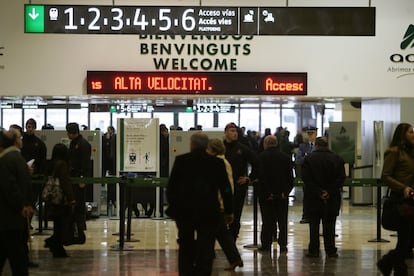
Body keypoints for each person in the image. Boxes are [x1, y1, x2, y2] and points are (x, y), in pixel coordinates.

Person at [166, 132, 234, 275]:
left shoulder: (181, 161)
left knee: (185, 246)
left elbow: (172, 188)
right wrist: (229, 210)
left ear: (192, 144)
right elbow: (226, 188)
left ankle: (186, 272)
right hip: (209, 212)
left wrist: (173, 208)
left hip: (186, 212)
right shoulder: (217, 163)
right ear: (206, 145)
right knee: (206, 247)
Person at [377, 123, 414, 276]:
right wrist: (403, 188)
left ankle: (395, 265)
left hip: (411, 199)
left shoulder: (411, 153)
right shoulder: (394, 152)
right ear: (403, 134)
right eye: (411, 132)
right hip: (400, 200)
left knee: (407, 238)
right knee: (406, 238)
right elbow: (385, 175)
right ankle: (388, 263)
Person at [301, 136, 345, 258]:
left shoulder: (308, 159)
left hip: (313, 198)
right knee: (330, 225)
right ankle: (330, 250)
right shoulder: (337, 159)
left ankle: (314, 250)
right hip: (332, 198)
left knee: (314, 226)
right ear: (328, 145)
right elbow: (341, 178)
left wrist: (319, 192)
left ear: (316, 145)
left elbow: (306, 179)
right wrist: (328, 192)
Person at [0, 130, 34, 276]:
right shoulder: (16, 158)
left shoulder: (7, 159)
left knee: (15, 253)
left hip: (8, 216)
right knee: (14, 252)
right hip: (12, 216)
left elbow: (10, 187)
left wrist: (21, 205)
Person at [207, 138, 243, 271]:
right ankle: (234, 259)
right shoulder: (218, 162)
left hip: (219, 205)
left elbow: (228, 187)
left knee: (219, 234)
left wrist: (226, 206)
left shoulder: (222, 163)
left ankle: (232, 259)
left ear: (213, 149)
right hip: (218, 204)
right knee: (221, 234)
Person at [257, 135, 294, 253]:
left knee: (267, 220)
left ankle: (266, 244)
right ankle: (283, 245)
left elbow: (260, 178)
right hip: (282, 195)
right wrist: (285, 192)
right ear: (276, 144)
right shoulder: (285, 157)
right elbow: (290, 178)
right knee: (282, 221)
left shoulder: (260, 157)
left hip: (266, 196)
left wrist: (267, 193)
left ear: (265, 144)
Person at [223, 122, 258, 241]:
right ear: (225, 133)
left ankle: (232, 238)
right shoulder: (220, 148)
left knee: (235, 215)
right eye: (232, 131)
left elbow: (257, 163)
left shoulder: (242, 148)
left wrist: (249, 178)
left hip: (238, 187)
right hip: (222, 187)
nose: (234, 133)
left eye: (236, 131)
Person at [44, 143, 75, 258]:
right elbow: (65, 183)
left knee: (58, 225)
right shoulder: (62, 165)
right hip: (61, 200)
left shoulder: (52, 164)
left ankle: (56, 247)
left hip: (53, 199)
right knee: (62, 225)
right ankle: (53, 244)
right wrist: (71, 198)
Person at [66, 122, 91, 233]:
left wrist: (83, 178)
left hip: (79, 177)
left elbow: (85, 163)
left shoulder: (83, 144)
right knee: (74, 202)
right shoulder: (73, 143)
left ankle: (81, 225)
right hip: (73, 177)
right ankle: (75, 224)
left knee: (80, 202)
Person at [296, 126, 318, 224]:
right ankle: (306, 216)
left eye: (311, 133)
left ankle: (316, 216)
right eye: (308, 133)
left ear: (316, 134)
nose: (310, 136)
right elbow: (299, 160)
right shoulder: (302, 146)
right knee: (307, 197)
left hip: (317, 175)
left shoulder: (319, 145)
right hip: (307, 175)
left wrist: (307, 156)